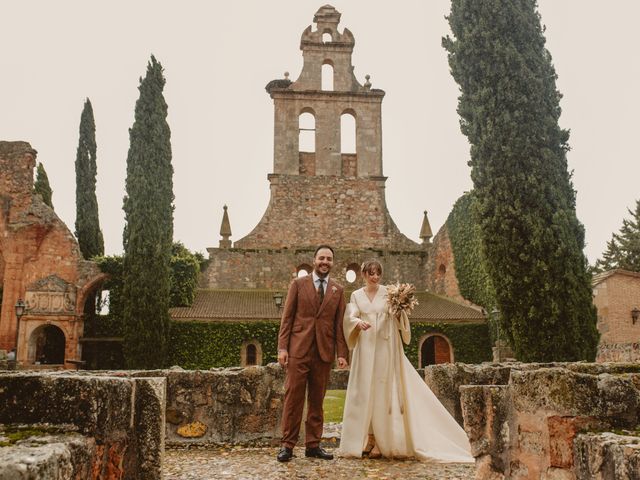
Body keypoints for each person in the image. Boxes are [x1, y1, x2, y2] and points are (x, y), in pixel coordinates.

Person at [340, 259, 473, 462]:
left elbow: (401, 320)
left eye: (378, 273)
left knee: (384, 391)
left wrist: (400, 311)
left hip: (386, 347)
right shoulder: (356, 295)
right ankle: (368, 437)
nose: (374, 277)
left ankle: (382, 441)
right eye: (371, 273)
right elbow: (350, 315)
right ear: (363, 274)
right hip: (366, 349)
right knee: (365, 391)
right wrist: (357, 322)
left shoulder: (389, 293)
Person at [276, 245, 349, 462]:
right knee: (293, 399)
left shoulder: (338, 290)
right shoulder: (298, 284)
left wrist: (342, 353)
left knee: (317, 400)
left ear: (333, 262)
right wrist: (282, 347)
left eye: (329, 259)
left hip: (324, 353)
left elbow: (339, 325)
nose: (325, 262)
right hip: (298, 350)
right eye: (321, 258)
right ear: (314, 260)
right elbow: (287, 318)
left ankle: (313, 445)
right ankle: (287, 446)